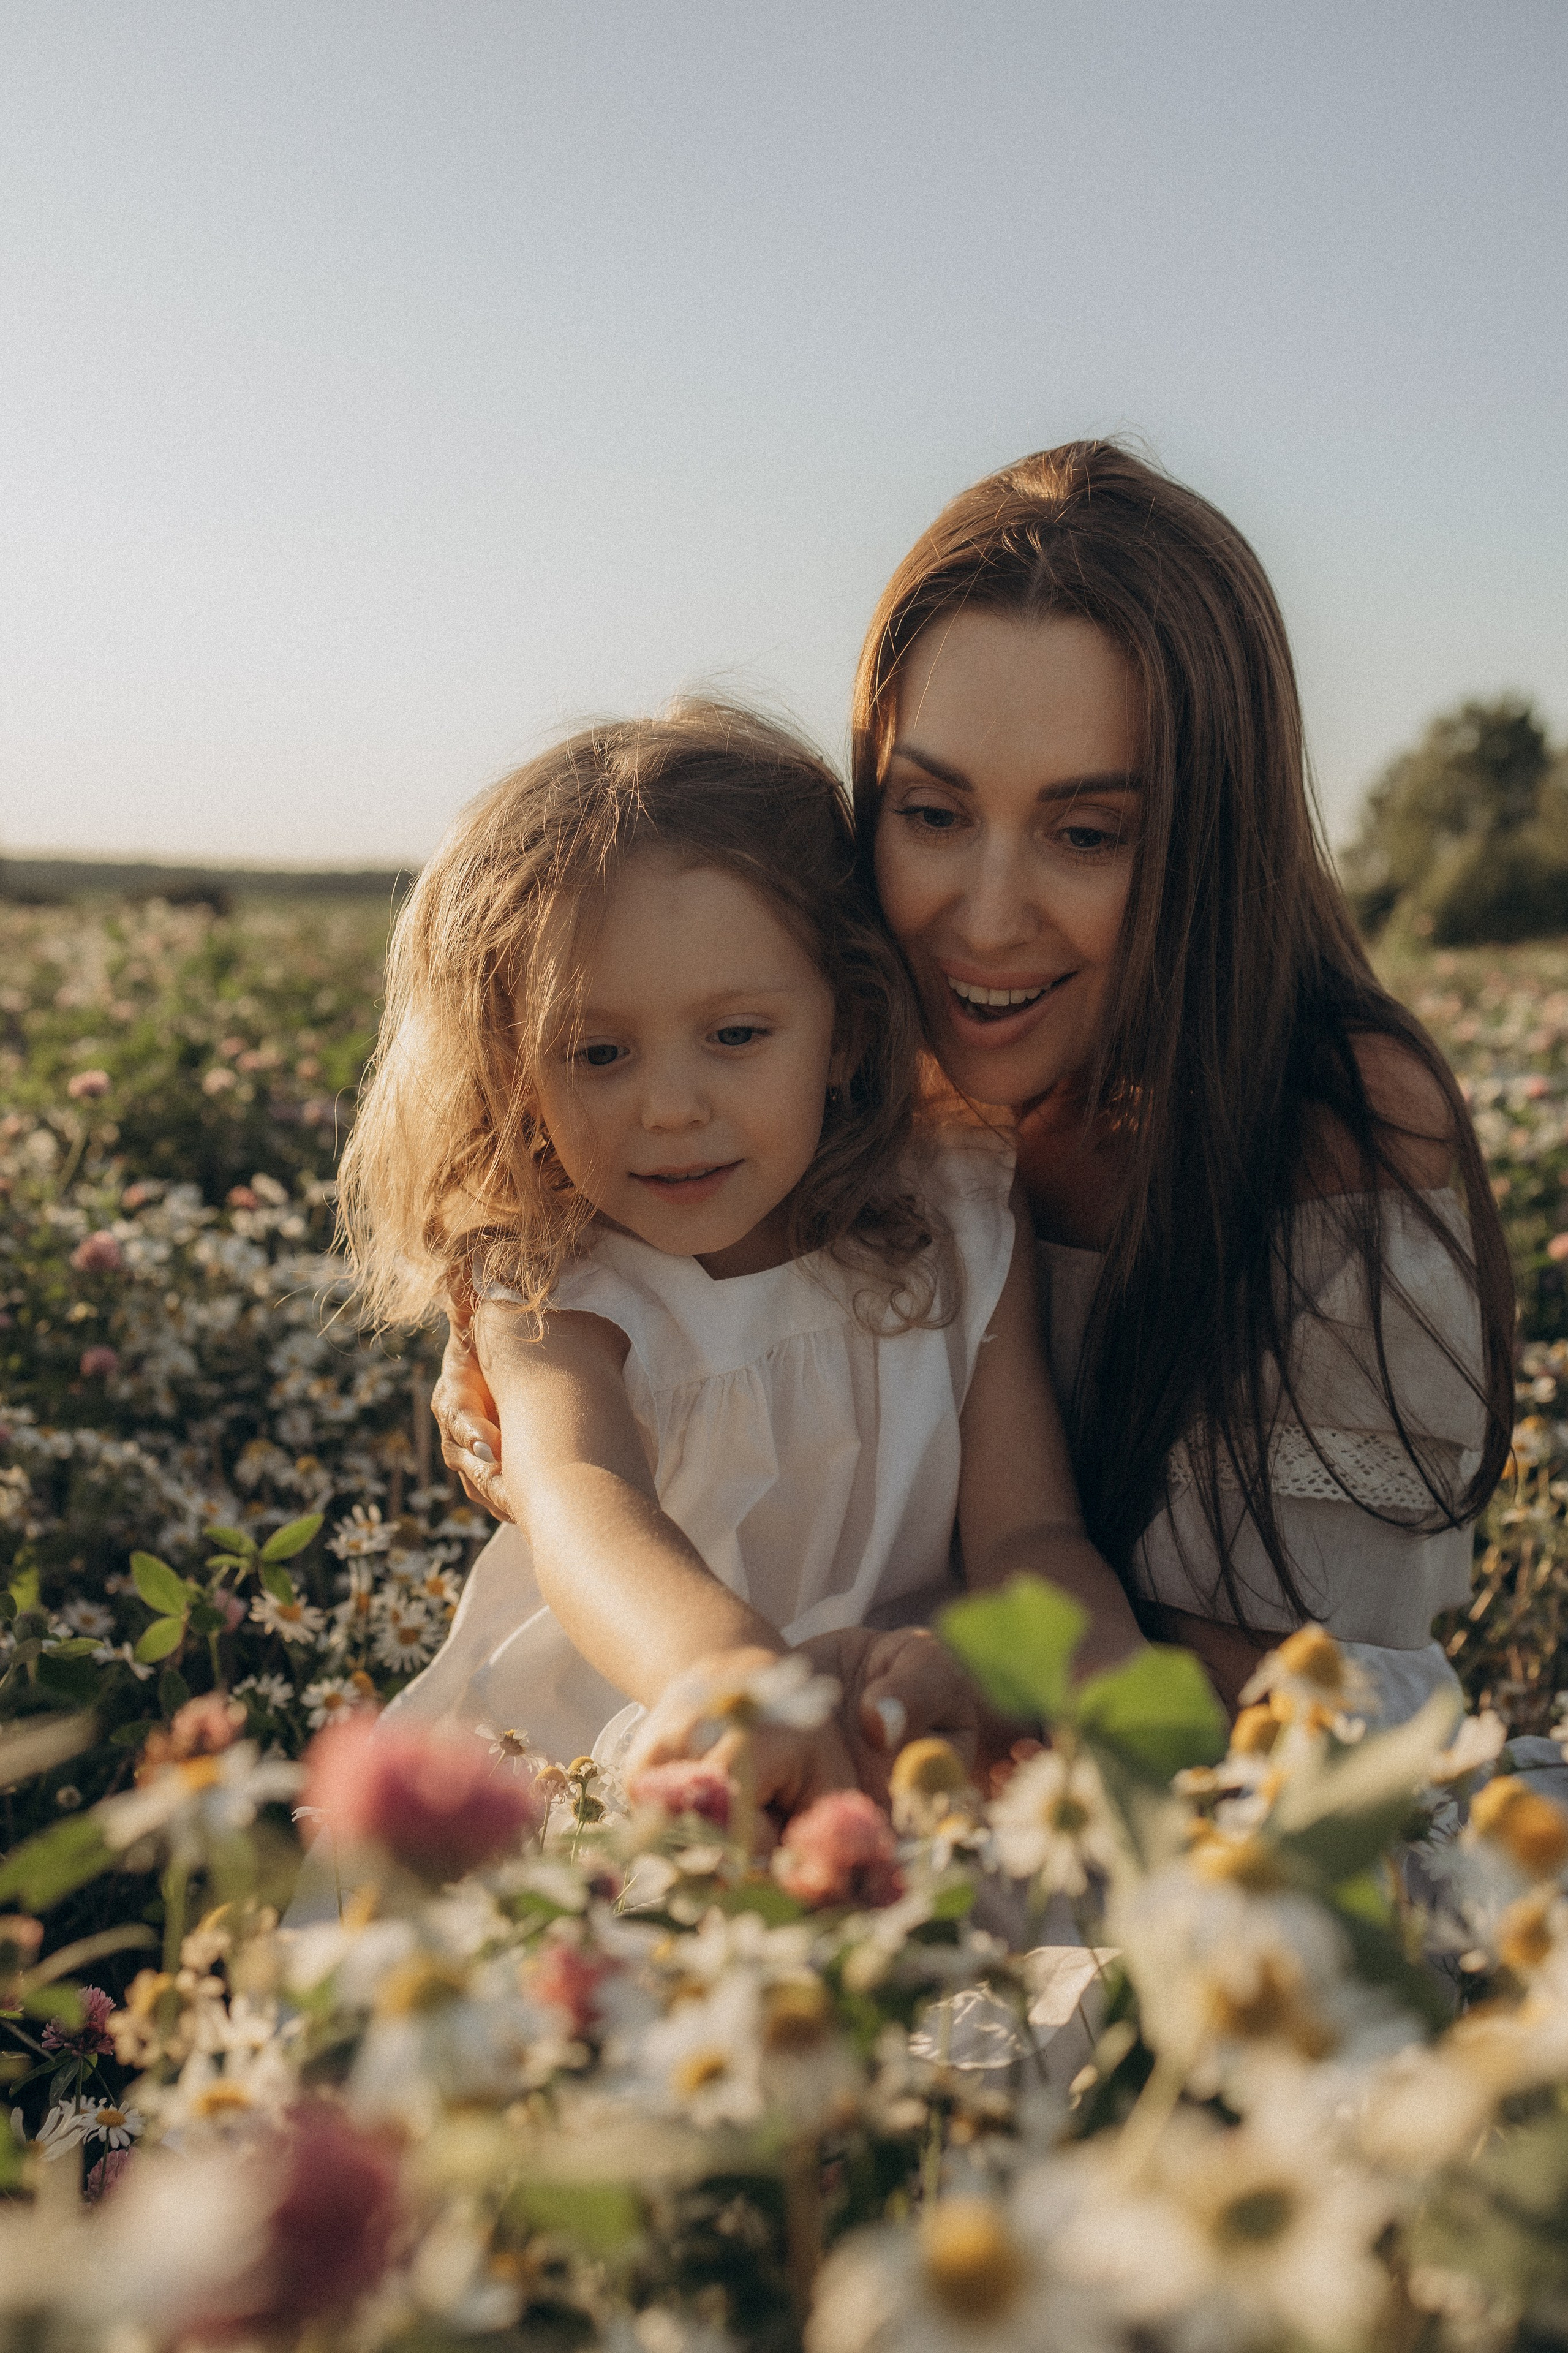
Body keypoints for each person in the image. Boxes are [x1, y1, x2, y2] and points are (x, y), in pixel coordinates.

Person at [436, 445, 1520, 1746]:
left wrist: (981, 1689)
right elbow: (590, 1478)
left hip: (1178, 1746)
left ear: (1204, 840)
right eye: (932, 812)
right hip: (732, 1743)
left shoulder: (1318, 1116)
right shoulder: (854, 1089)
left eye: (1085, 832)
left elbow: (1209, 1647)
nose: (987, 921)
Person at [341, 700, 1142, 1828]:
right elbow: (583, 1494)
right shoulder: (553, 1279)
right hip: (639, 1729)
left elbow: (1029, 1533)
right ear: (519, 1064)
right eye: (599, 1052)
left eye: (736, 1035)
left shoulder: (958, 1215)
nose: (670, 1107)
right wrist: (730, 1672)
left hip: (902, 1736)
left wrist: (1096, 1679)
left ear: (850, 1027)